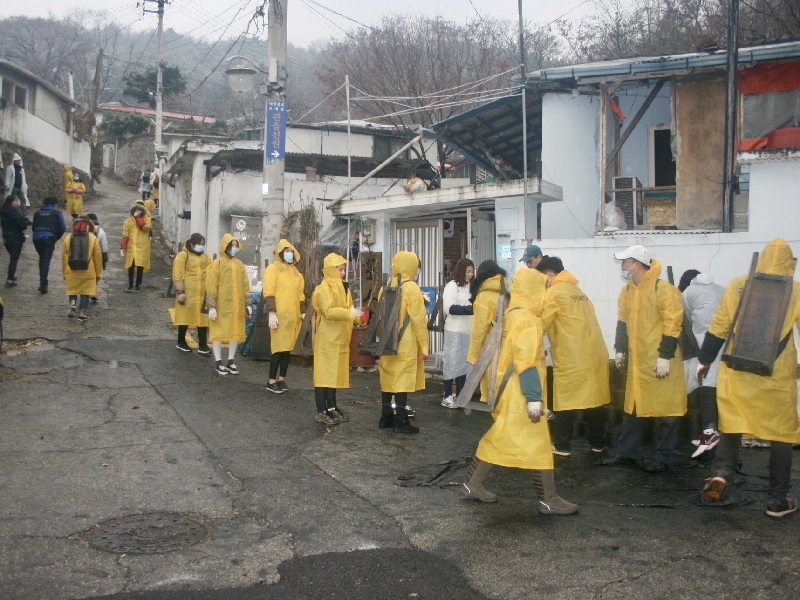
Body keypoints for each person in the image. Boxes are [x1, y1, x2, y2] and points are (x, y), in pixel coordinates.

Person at [462, 268, 578, 515]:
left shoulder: (512, 314)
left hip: (507, 390)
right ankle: (549, 499)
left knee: (502, 439)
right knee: (536, 443)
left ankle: (473, 483)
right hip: (521, 393)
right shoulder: (528, 319)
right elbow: (526, 362)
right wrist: (534, 399)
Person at [699, 239, 800, 518]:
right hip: (775, 377)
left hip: (737, 372)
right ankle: (777, 499)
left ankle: (720, 475)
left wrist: (705, 359)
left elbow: (719, 326)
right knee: (782, 434)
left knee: (732, 424)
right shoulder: (795, 291)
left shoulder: (737, 285)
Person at [605, 245, 686, 472]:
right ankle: (626, 453)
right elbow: (623, 321)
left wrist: (665, 355)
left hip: (660, 359)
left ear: (637, 264)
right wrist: (620, 349)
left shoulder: (664, 290)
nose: (622, 266)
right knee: (633, 408)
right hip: (638, 361)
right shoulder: (627, 291)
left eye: (625, 261)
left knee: (667, 411)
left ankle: (662, 457)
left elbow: (673, 323)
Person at [537, 256, 610, 456]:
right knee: (594, 399)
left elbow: (542, 324)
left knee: (565, 398)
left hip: (572, 355)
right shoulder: (578, 292)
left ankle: (562, 445)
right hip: (594, 353)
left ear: (549, 275)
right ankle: (598, 443)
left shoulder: (554, 293)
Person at [378, 251, 429, 434]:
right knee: (402, 381)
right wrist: (425, 345)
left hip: (388, 340)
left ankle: (385, 417)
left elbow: (381, 315)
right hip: (405, 341)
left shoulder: (385, 287)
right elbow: (418, 320)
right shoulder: (412, 288)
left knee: (388, 378)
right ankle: (401, 421)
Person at [679, 269, 724, 459]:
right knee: (717, 385)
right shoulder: (721, 289)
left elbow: (686, 320)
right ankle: (717, 434)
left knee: (705, 383)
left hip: (704, 340)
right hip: (726, 339)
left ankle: (709, 432)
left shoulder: (687, 293)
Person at [312, 253, 361, 425]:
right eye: (340, 269)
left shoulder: (343, 288)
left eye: (343, 269)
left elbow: (348, 309)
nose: (343, 273)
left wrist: (358, 317)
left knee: (332, 374)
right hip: (327, 339)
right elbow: (329, 311)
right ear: (331, 270)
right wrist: (350, 314)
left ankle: (331, 407)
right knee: (323, 375)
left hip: (339, 338)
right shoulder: (324, 288)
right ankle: (321, 410)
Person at [205, 234, 253, 375]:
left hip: (237, 306)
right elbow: (211, 286)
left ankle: (231, 361)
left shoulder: (239, 265)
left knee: (235, 333)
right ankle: (218, 362)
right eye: (232, 245)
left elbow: (245, 285)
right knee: (218, 333)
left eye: (236, 245)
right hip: (221, 305)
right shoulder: (217, 264)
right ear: (225, 246)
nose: (234, 248)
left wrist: (248, 303)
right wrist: (212, 306)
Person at [262, 239, 305, 394]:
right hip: (279, 316)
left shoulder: (297, 273)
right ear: (280, 253)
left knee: (287, 349)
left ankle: (281, 379)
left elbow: (300, 295)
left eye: (291, 251)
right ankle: (271, 380)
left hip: (293, 318)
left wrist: (303, 311)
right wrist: (272, 312)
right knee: (278, 348)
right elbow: (269, 292)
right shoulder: (273, 269)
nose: (289, 254)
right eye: (286, 251)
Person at [467, 260, 508, 403]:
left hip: (490, 348)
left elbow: (479, 330)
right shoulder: (505, 293)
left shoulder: (484, 297)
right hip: (507, 346)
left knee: (492, 390)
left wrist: (474, 355)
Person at [441, 258, 475, 408]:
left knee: (463, 364)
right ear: (461, 271)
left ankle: (460, 395)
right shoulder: (452, 286)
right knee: (451, 362)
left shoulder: (471, 287)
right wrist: (471, 309)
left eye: (472, 272)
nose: (470, 274)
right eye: (468, 271)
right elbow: (449, 308)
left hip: (467, 330)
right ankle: (448, 394)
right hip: (454, 331)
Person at [172, 233, 212, 355]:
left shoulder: (206, 257)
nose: (201, 246)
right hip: (188, 292)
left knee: (203, 319)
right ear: (192, 243)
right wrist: (180, 291)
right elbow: (177, 274)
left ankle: (202, 345)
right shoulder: (183, 256)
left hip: (202, 293)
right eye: (199, 244)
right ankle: (181, 341)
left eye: (202, 244)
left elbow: (211, 273)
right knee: (184, 317)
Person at [61, 216, 102, 323]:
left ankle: (73, 304)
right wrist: (98, 273)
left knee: (72, 288)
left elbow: (64, 256)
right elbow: (97, 256)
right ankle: (82, 314)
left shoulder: (68, 237)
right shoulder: (92, 237)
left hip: (72, 268)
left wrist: (64, 271)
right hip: (88, 269)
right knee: (85, 291)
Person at [32, 196, 66, 294]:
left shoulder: (37, 213)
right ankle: (43, 283)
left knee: (42, 259)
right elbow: (63, 228)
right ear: (55, 204)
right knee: (45, 261)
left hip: (37, 238)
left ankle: (43, 281)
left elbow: (33, 227)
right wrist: (56, 237)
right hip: (49, 238)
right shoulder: (57, 213)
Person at [1, 194, 31, 287]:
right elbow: (20, 224)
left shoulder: (3, 212)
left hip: (6, 237)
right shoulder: (14, 212)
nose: (17, 203)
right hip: (15, 237)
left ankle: (11, 275)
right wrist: (27, 223)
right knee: (14, 259)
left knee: (12, 257)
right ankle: (10, 279)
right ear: (10, 202)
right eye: (15, 201)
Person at [121, 202, 151, 292]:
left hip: (142, 246)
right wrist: (123, 246)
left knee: (140, 266)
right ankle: (130, 285)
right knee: (131, 266)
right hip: (132, 247)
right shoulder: (128, 221)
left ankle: (137, 285)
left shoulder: (147, 219)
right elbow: (125, 234)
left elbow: (145, 228)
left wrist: (139, 219)